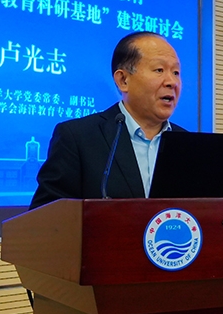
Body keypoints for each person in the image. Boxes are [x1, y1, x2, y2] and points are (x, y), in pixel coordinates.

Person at [28, 31, 186, 208]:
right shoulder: (78, 138)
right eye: (159, 70)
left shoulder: (187, 145)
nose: (172, 82)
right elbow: (46, 215)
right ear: (123, 80)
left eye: (176, 72)